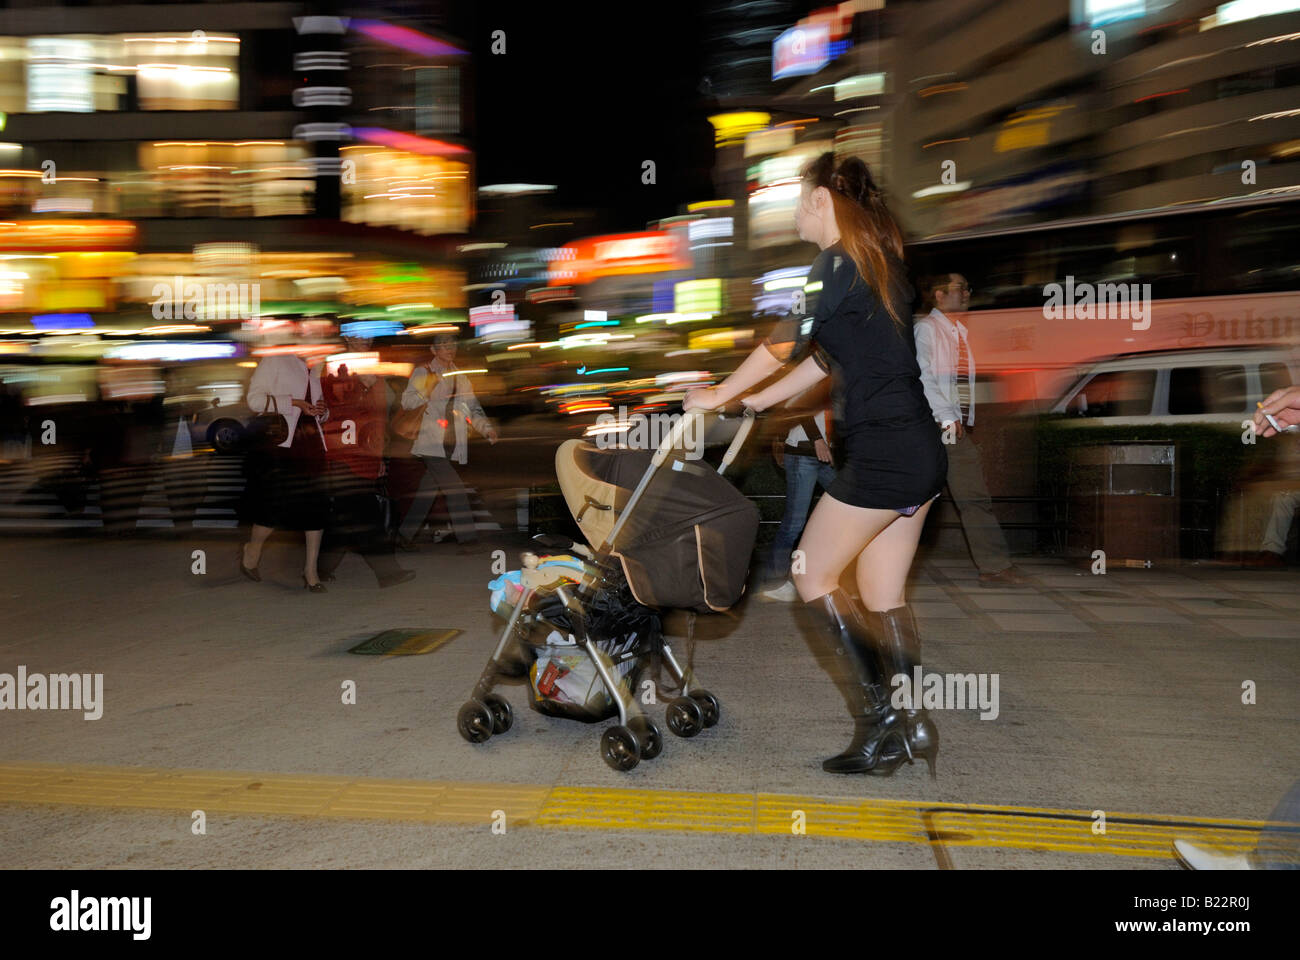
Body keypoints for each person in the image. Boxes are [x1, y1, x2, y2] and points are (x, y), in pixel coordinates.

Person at [685, 151, 947, 777]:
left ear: (824, 200)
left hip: (883, 456)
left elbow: (784, 342)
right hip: (920, 455)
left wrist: (717, 395)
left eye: (801, 198)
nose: (796, 210)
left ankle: (879, 723)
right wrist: (756, 402)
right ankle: (911, 726)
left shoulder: (831, 264)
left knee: (810, 572)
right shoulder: (882, 265)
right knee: (883, 597)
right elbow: (827, 359)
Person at [913, 274, 1028, 587]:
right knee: (916, 498)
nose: (967, 293)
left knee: (970, 497)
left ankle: (993, 567)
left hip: (952, 427)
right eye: (959, 288)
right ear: (938, 294)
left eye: (967, 287)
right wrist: (949, 416)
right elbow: (922, 376)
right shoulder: (926, 329)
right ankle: (994, 567)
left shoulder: (957, 332)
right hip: (937, 425)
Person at [319, 337, 415, 588]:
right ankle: (388, 573)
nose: (364, 340)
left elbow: (379, 416)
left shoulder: (374, 366)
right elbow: (330, 408)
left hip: (367, 453)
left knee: (343, 519)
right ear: (347, 337)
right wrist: (362, 387)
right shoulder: (334, 366)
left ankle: (320, 568)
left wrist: (380, 454)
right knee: (366, 515)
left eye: (368, 335)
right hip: (343, 454)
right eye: (358, 335)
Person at [396, 333, 498, 553]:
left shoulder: (461, 376)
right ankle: (468, 539)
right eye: (443, 345)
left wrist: (486, 428)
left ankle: (403, 536)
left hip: (452, 441)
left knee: (427, 492)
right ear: (434, 350)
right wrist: (426, 392)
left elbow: (472, 406)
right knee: (455, 489)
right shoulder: (424, 372)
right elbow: (407, 400)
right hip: (430, 441)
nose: (449, 349)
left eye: (452, 345)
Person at [240, 353, 331, 592]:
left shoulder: (317, 364)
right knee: (274, 510)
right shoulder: (275, 360)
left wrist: (322, 410)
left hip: (312, 445)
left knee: (316, 507)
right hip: (282, 446)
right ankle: (253, 549)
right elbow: (254, 401)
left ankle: (310, 571)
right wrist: (294, 403)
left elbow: (319, 408)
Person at [762, 385, 835, 602]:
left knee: (850, 509)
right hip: (803, 452)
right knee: (794, 522)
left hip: (828, 455)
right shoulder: (816, 368)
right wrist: (817, 439)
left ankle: (827, 574)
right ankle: (774, 582)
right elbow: (801, 406)